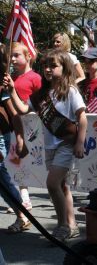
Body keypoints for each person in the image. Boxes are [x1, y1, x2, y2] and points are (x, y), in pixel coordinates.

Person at [4, 49, 87, 241]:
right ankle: (72, 225)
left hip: (66, 143)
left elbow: (81, 117)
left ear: (64, 68)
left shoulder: (71, 91)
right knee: (62, 186)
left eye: (53, 66)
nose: (48, 69)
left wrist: (80, 142)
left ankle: (62, 225)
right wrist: (12, 91)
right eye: (46, 66)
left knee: (52, 184)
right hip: (50, 145)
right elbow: (24, 109)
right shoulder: (41, 94)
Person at [0, 43, 31, 233]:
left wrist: (20, 138)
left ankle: (22, 215)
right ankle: (22, 214)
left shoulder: (2, 84)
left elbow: (15, 114)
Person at [9, 42, 42, 213]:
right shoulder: (12, 78)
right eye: (11, 56)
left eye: (17, 55)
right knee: (17, 164)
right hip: (14, 127)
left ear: (28, 56)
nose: (13, 59)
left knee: (29, 164)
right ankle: (24, 198)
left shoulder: (35, 78)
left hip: (31, 129)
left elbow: (41, 102)